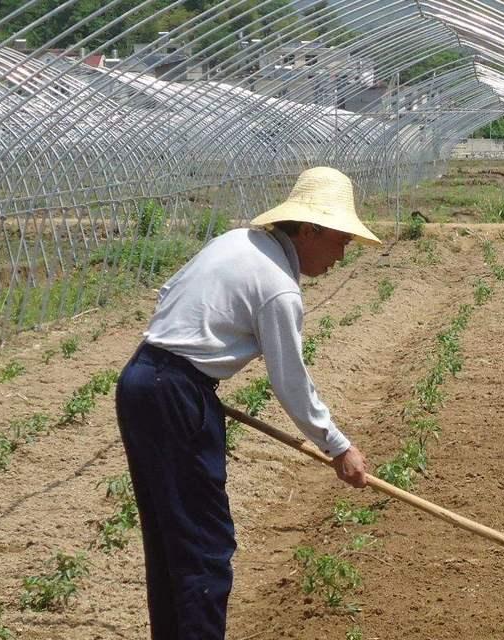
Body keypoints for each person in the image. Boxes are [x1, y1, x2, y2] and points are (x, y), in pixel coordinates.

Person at [113, 166, 380, 639]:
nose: (343, 254)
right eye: (340, 240)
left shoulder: (236, 242)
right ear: (309, 229)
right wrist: (338, 447)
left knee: (171, 542)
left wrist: (187, 375)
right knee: (203, 548)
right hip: (173, 391)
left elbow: (170, 293)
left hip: (144, 378)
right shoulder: (278, 284)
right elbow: (290, 381)